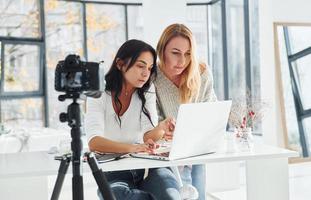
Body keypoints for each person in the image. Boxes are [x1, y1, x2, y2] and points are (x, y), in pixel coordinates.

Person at [85, 39, 181, 200]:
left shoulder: (147, 90)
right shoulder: (98, 93)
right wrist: (132, 148)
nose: (146, 73)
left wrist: (161, 127)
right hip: (115, 170)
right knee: (117, 196)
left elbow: (148, 136)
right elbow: (94, 142)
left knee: (170, 196)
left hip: (148, 166)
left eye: (150, 68)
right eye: (140, 66)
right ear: (120, 64)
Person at [154, 23, 217, 200]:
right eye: (175, 53)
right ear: (162, 50)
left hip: (197, 148)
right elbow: (153, 121)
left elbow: (211, 108)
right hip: (166, 154)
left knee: (199, 196)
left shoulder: (201, 72)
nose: (182, 61)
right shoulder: (152, 76)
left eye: (188, 54)